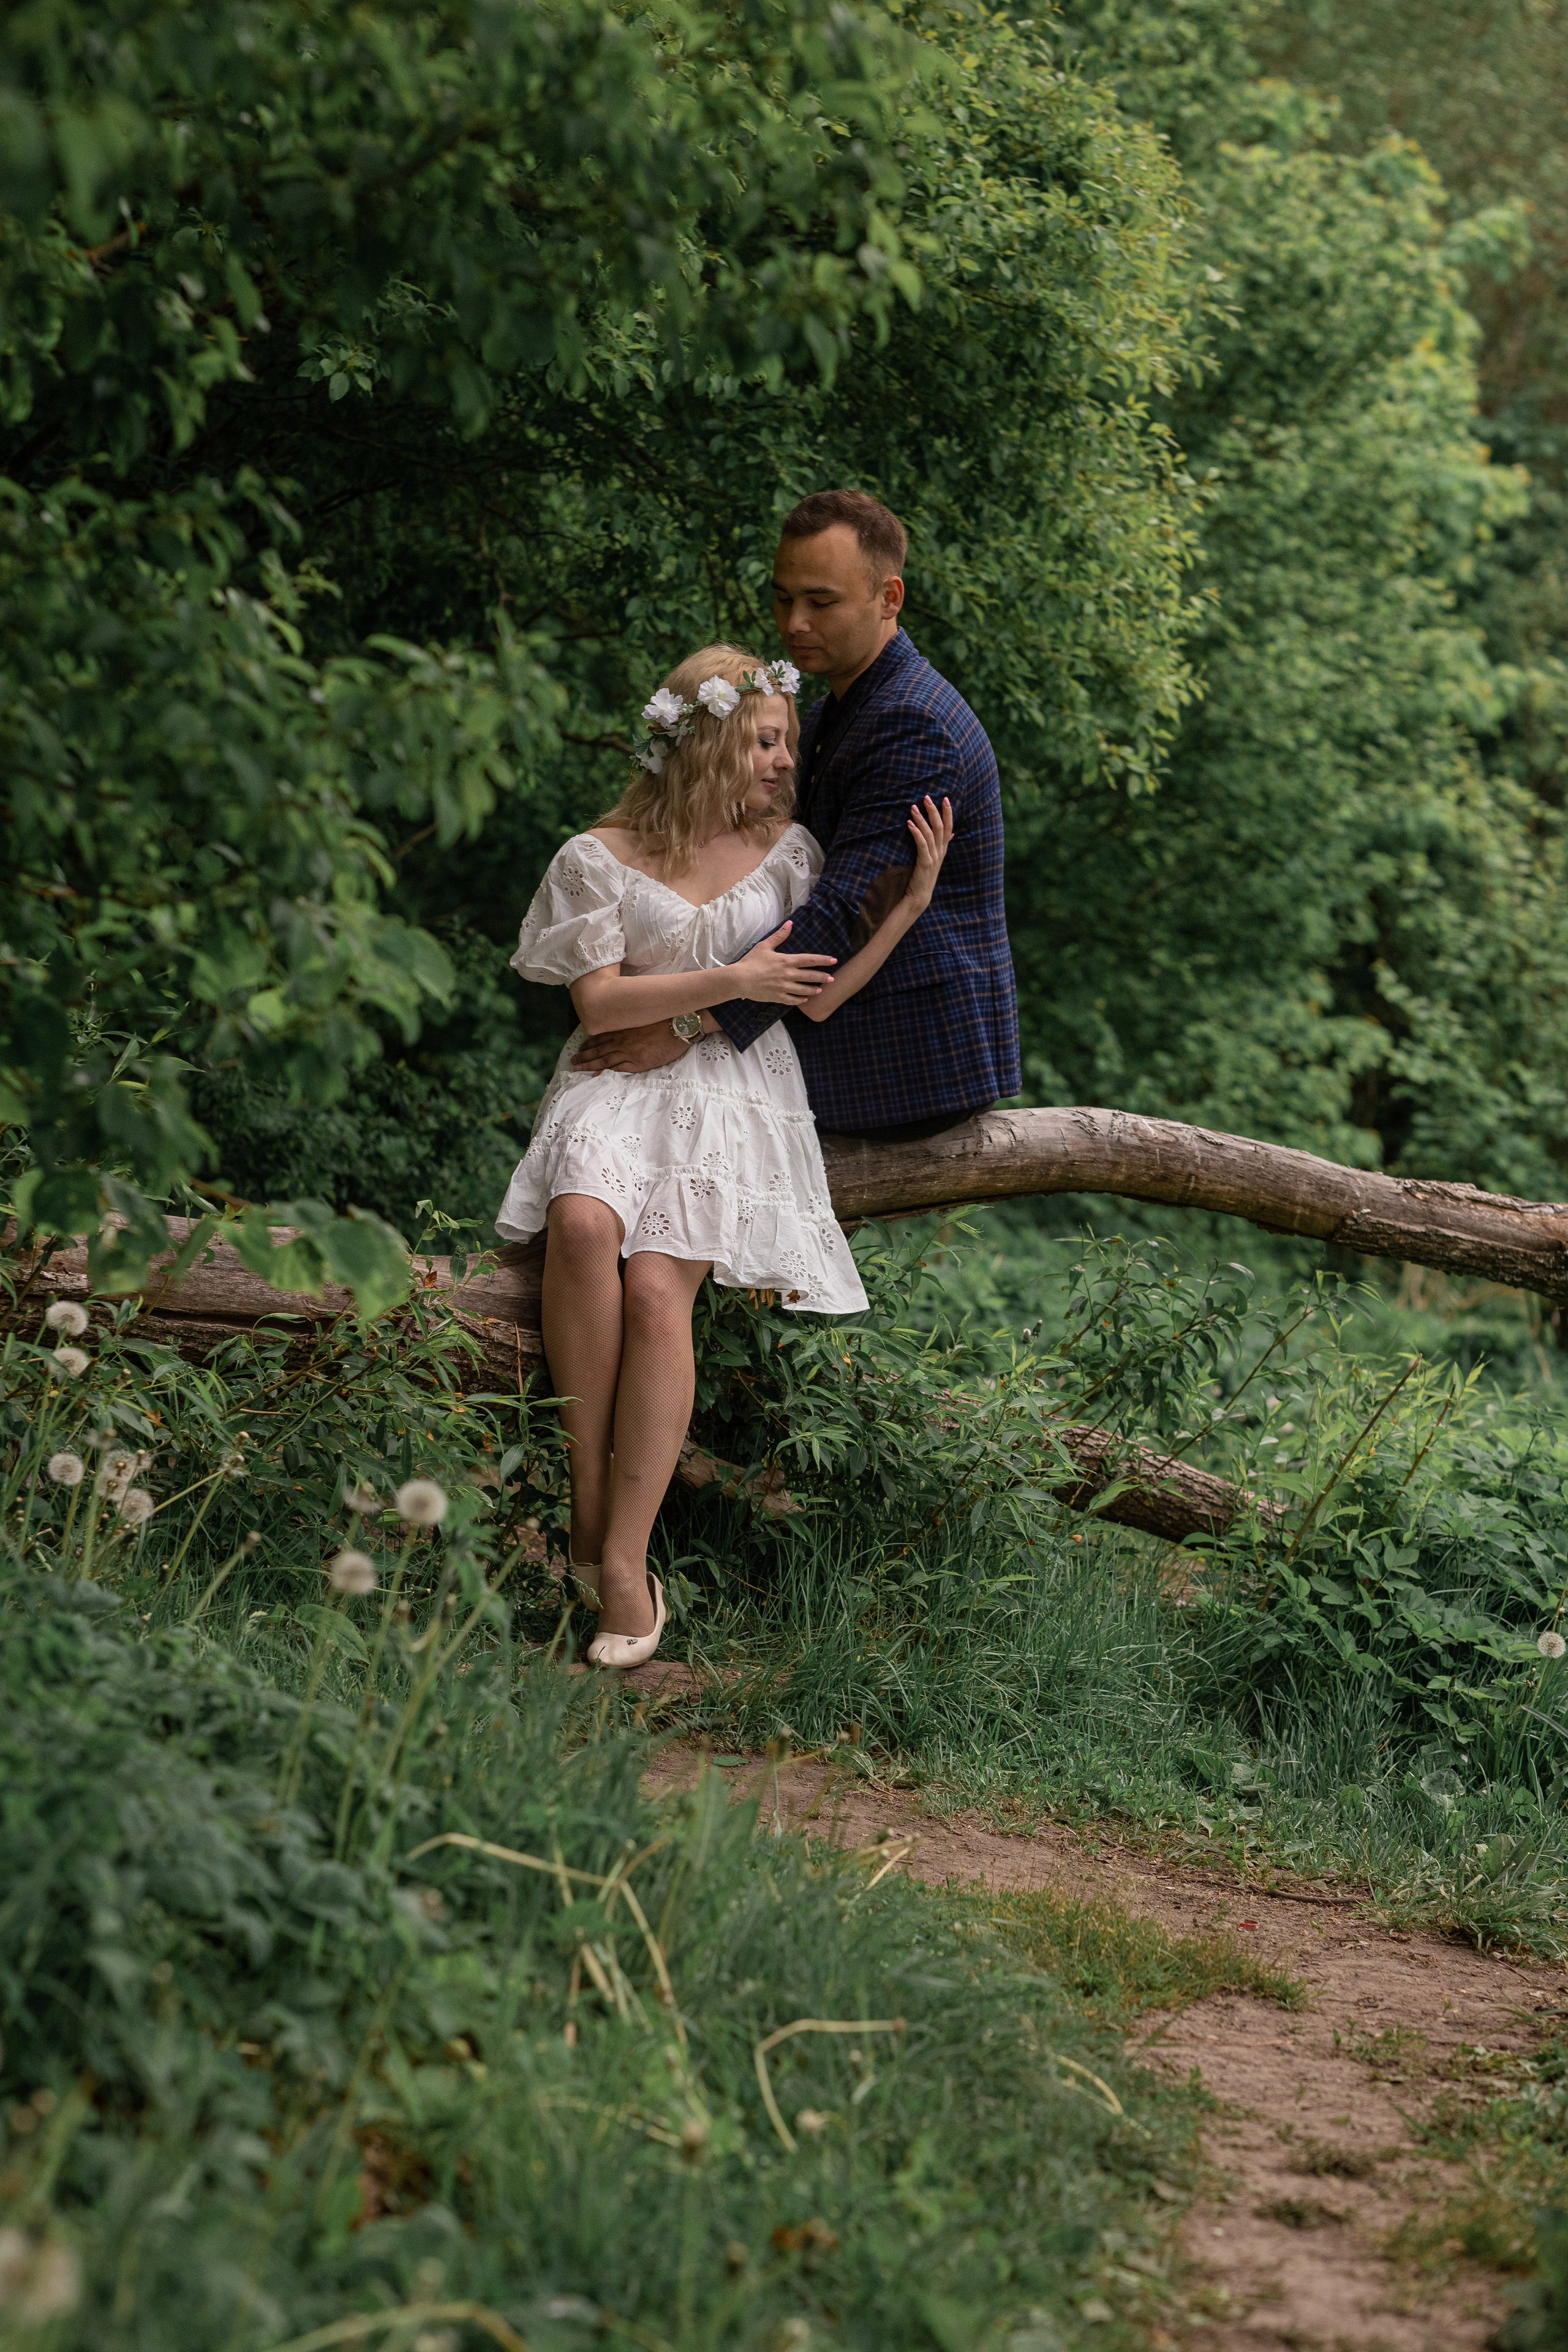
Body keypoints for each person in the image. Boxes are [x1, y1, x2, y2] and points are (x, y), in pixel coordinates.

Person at [496, 641, 953, 1669]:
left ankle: (624, 1560)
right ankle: (583, 1506)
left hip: (732, 1086)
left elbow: (816, 998)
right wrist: (734, 980)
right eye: (767, 742)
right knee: (582, 1225)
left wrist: (910, 907)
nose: (787, 761)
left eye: (786, 742)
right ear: (707, 744)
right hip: (614, 1075)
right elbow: (601, 1004)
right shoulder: (596, 856)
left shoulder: (791, 855)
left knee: (660, 1290)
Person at [572, 488, 1019, 1142]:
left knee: (648, 1122)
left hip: (895, 1061)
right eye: (783, 598)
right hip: (817, 1020)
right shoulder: (838, 707)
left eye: (821, 601)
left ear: (889, 598)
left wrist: (684, 1026)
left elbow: (847, 912)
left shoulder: (911, 722)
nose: (794, 623)